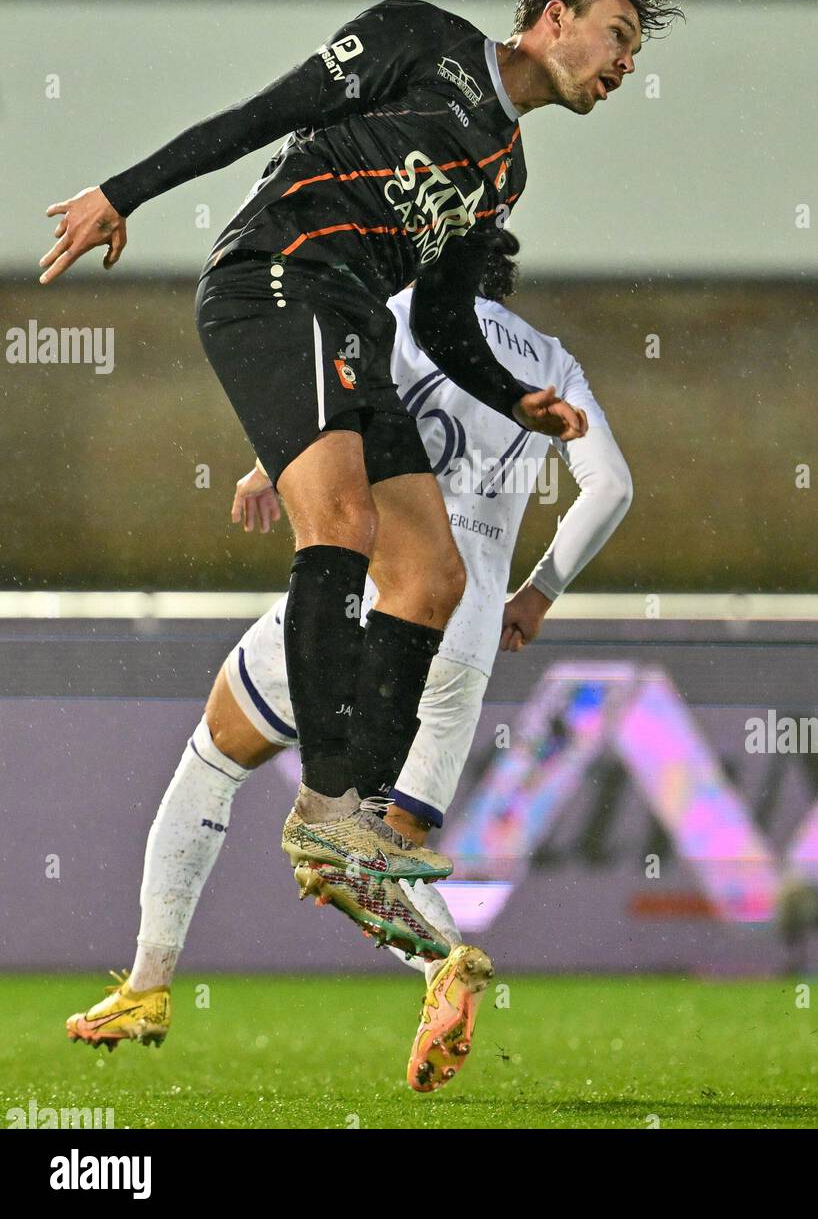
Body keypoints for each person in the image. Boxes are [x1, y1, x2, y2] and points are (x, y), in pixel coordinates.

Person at [40, 0, 678, 952]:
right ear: (554, 20)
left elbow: (440, 318)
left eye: (634, 52)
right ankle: (330, 802)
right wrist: (122, 193)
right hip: (277, 280)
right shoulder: (419, 38)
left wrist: (518, 400)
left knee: (432, 575)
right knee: (340, 524)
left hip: (354, 331)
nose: (626, 63)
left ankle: (347, 824)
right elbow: (264, 114)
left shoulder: (502, 172)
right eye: (616, 35)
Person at [66, 236, 633, 1093]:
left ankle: (147, 987)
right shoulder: (553, 363)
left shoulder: (404, 316)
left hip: (381, 592)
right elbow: (614, 487)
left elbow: (334, 404)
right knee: (374, 844)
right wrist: (537, 594)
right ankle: (446, 964)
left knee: (215, 756)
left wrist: (265, 466)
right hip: (470, 628)